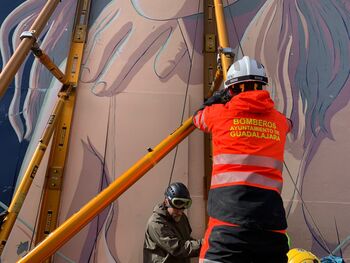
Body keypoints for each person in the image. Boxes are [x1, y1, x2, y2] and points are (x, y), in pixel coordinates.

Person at [193, 56, 292, 263]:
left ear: (231, 90)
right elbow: (289, 123)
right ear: (263, 87)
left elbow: (198, 117)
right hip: (271, 228)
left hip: (228, 225)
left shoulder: (219, 115)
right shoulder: (280, 122)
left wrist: (216, 99)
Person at [143, 182, 202, 263]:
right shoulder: (156, 223)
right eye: (177, 209)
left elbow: (186, 240)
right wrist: (205, 244)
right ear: (166, 202)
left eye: (182, 209)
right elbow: (178, 248)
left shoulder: (181, 217)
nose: (180, 212)